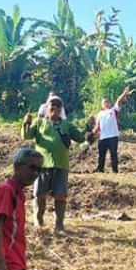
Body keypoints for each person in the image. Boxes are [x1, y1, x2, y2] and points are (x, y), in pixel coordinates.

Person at [22, 96, 86, 235]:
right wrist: (26, 123)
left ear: (61, 109)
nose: (55, 108)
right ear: (47, 107)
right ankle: (38, 221)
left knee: (60, 195)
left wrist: (89, 127)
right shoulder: (39, 123)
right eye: (52, 105)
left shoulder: (67, 125)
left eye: (58, 106)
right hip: (42, 165)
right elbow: (26, 136)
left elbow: (80, 138)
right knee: (40, 194)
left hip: (61, 164)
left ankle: (59, 225)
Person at [93, 86, 132, 173]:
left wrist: (123, 94)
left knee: (113, 154)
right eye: (104, 103)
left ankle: (115, 170)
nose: (106, 104)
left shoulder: (113, 110)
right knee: (101, 154)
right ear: (102, 105)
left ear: (110, 103)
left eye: (107, 102)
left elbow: (119, 101)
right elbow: (97, 125)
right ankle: (100, 170)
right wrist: (92, 134)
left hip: (113, 136)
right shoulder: (100, 114)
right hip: (103, 137)